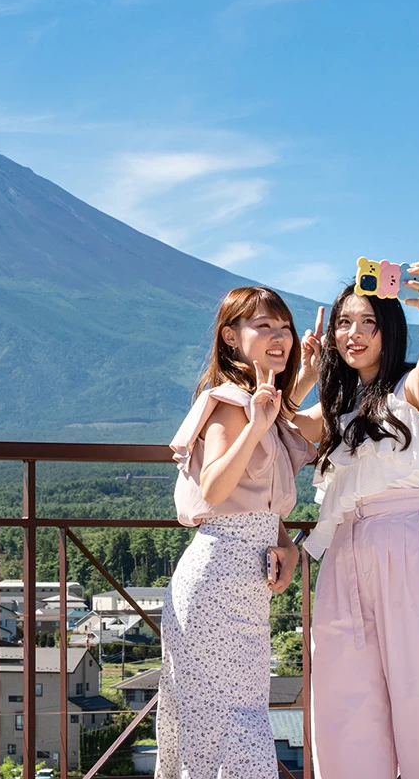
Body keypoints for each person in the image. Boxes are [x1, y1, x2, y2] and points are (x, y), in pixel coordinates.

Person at [290, 263, 419, 779]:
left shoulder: (412, 389)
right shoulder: (338, 404)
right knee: (344, 698)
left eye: (367, 322)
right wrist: (306, 376)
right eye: (343, 323)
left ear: (390, 329)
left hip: (417, 543)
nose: (353, 333)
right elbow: (277, 422)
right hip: (348, 549)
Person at [156, 286, 318, 779]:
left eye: (284, 327)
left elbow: (262, 488)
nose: (278, 337)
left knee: (225, 720)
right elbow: (216, 487)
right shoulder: (231, 405)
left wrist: (288, 544)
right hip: (220, 578)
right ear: (230, 337)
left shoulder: (258, 403)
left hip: (241, 581)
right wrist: (256, 424)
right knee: (229, 722)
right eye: (263, 326)